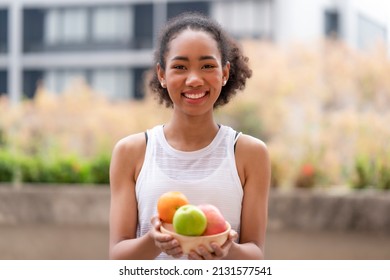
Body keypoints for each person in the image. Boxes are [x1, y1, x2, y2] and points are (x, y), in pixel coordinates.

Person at [109, 12, 271, 260]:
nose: (194, 79)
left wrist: (226, 250)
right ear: (162, 75)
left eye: (207, 66)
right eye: (180, 67)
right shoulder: (131, 152)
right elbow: (118, 258)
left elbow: (256, 256)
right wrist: (155, 241)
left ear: (225, 73)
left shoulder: (250, 153)